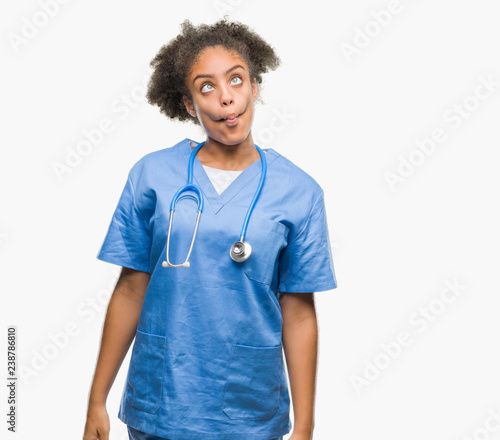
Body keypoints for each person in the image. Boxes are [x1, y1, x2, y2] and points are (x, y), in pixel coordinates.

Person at [83, 18, 338, 440]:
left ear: (255, 86)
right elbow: (131, 288)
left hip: (249, 408)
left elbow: (298, 311)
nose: (225, 98)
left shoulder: (300, 191)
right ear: (187, 104)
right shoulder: (151, 175)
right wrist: (96, 400)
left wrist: (305, 427)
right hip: (161, 403)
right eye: (206, 87)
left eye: (236, 80)